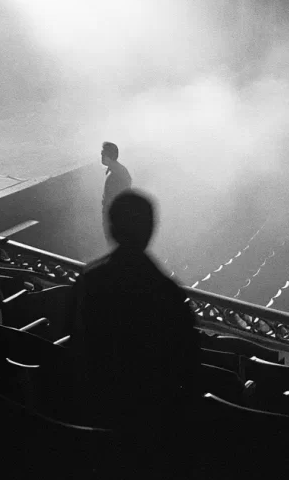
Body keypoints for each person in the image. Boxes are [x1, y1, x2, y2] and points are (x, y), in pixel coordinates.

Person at [67, 190, 200, 474]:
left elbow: (73, 342)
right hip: (150, 429)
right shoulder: (168, 293)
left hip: (94, 416)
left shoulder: (89, 280)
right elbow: (188, 367)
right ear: (151, 230)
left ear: (110, 227)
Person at [100, 142, 132, 243]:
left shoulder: (115, 176)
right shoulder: (119, 171)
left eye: (102, 153)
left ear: (108, 157)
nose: (101, 156)